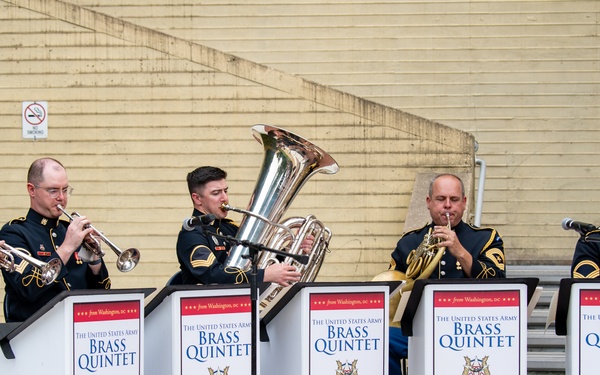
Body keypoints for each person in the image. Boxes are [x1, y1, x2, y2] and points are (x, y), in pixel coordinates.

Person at [385, 173, 506, 375]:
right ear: (429, 202)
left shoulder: (486, 238)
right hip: (420, 331)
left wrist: (460, 251)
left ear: (464, 203)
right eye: (441, 199)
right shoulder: (409, 242)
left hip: (470, 332)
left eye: (454, 199)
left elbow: (500, 284)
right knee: (381, 339)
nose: (448, 205)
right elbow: (392, 293)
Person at [1, 158, 110, 322]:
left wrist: (94, 258)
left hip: (79, 329)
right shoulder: (14, 233)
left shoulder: (69, 230)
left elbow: (102, 293)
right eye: (53, 191)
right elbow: (27, 288)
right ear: (32, 190)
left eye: (65, 190)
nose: (61, 197)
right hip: (35, 332)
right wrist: (66, 247)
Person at [176, 166, 308, 287]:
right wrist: (264, 275)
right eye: (216, 193)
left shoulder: (230, 228)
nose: (224, 198)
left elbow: (262, 261)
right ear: (197, 199)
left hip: (242, 305)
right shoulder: (191, 235)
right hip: (207, 308)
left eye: (225, 191)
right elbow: (212, 276)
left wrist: (293, 250)